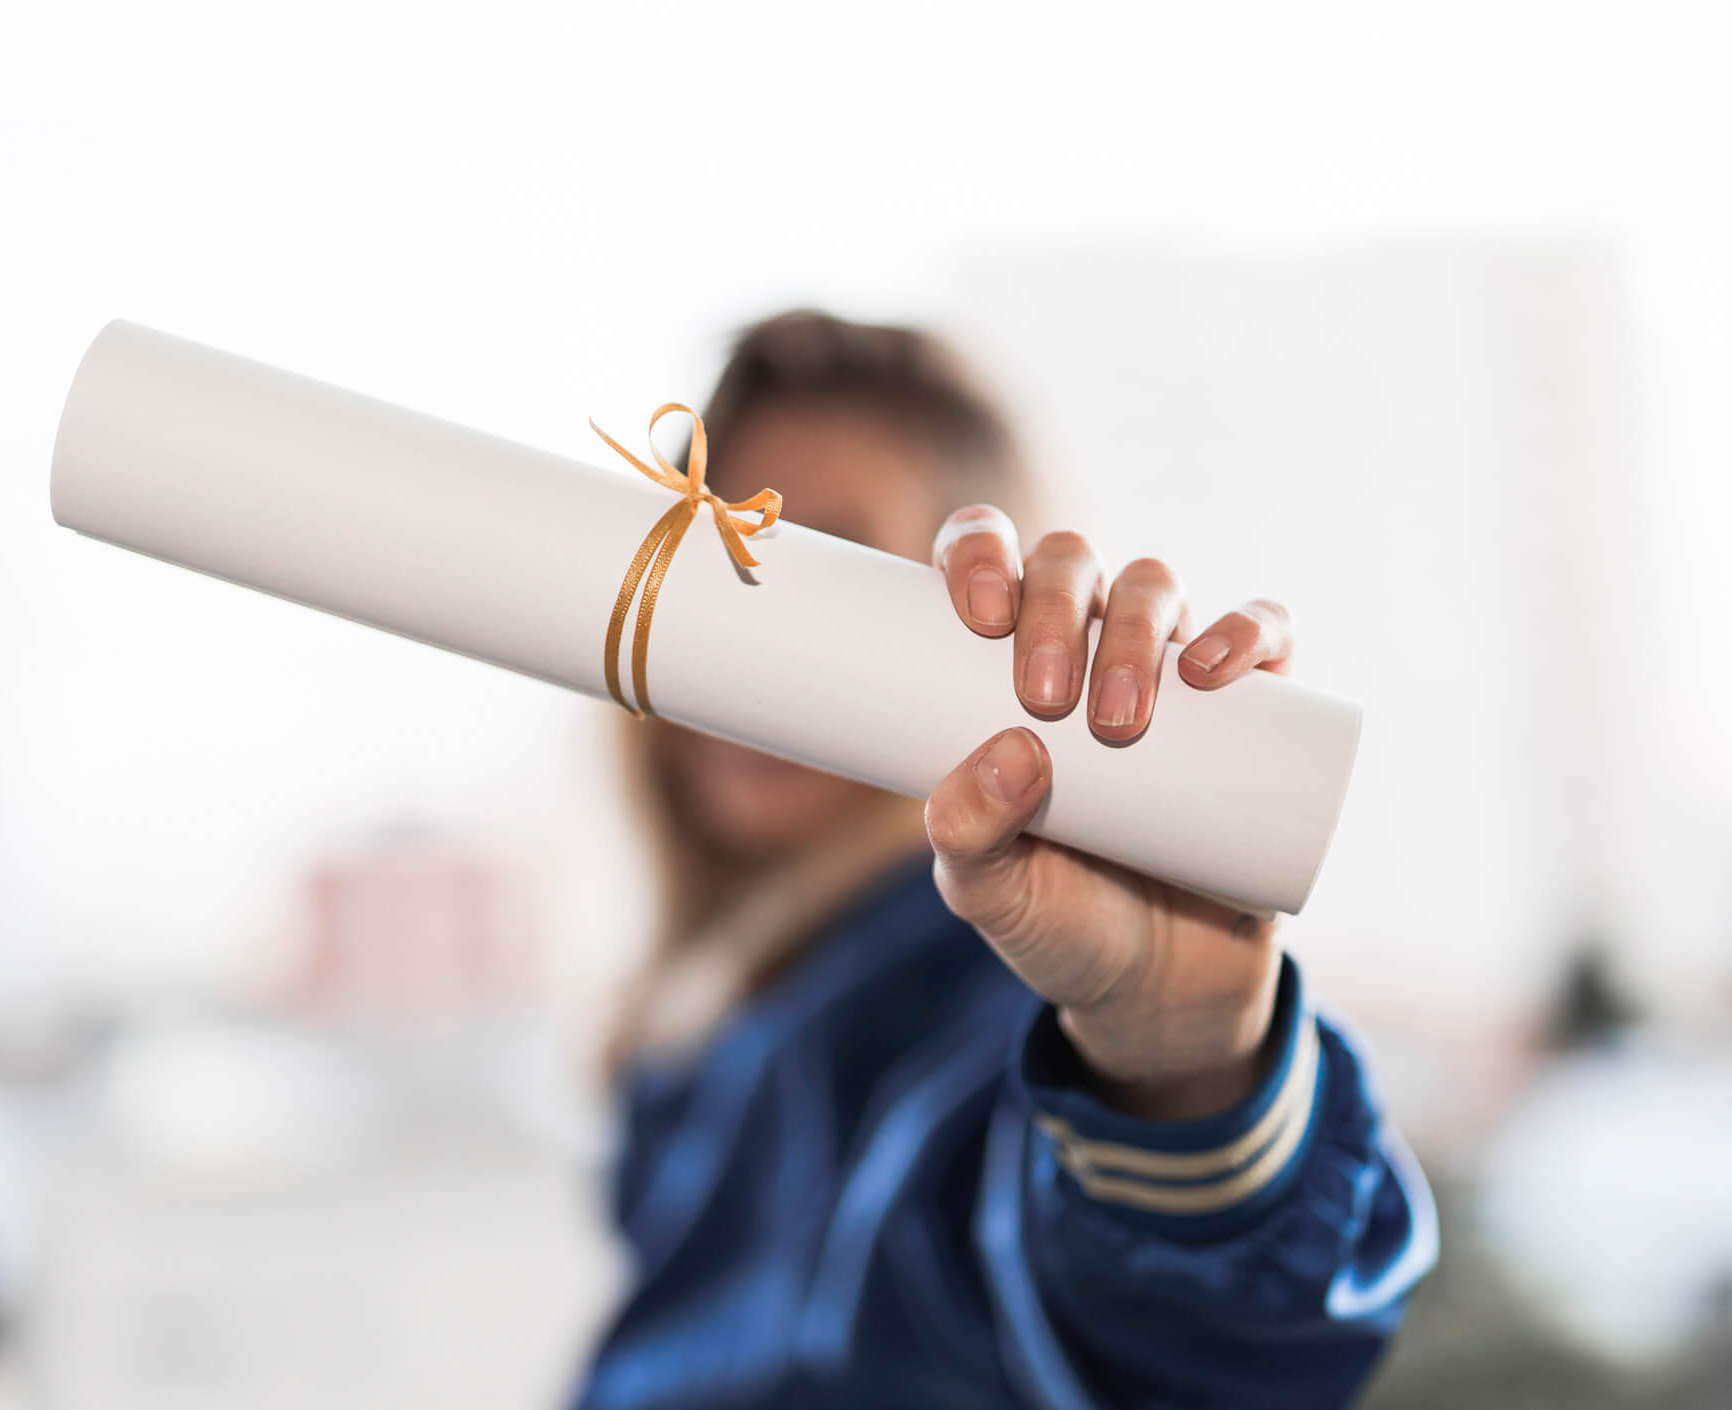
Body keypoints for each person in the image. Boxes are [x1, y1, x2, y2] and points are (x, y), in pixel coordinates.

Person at [575, 311, 1436, 1410]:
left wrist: (1175, 1061)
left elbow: (1193, 1339)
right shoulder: (714, 1037)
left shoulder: (998, 999)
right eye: (718, 554)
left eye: (830, 562)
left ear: (989, 628)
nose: (747, 626)